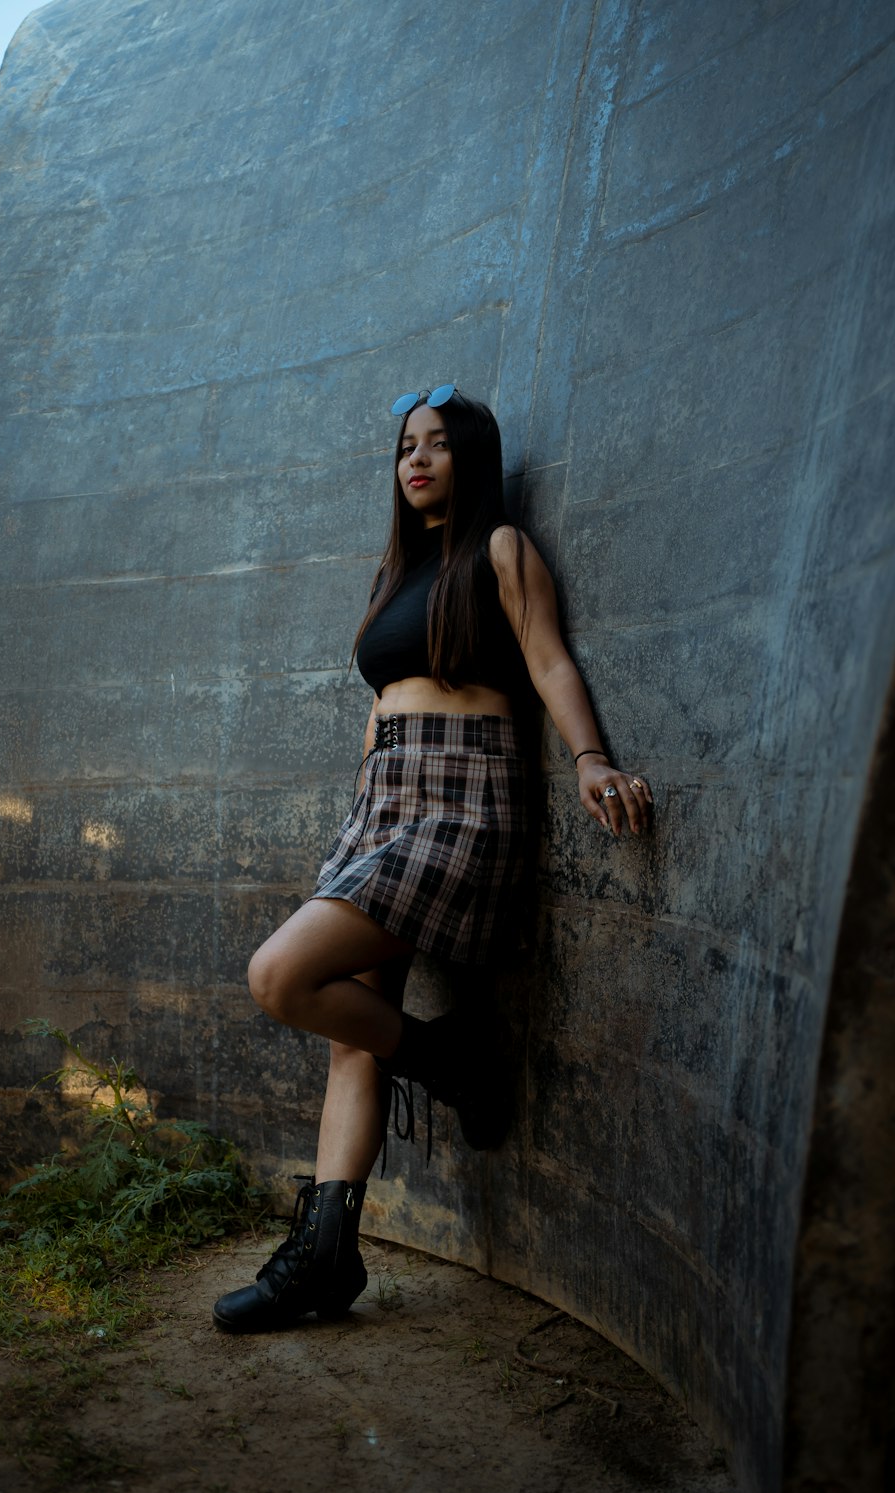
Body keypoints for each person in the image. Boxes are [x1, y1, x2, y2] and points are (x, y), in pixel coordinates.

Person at [212, 385, 652, 1334]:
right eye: (406, 447)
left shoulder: (500, 548)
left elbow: (547, 661)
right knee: (347, 1037)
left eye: (438, 445)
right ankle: (327, 1257)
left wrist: (590, 760)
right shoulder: (393, 573)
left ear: (472, 457)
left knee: (279, 975)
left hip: (463, 800)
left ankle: (445, 1055)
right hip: (383, 804)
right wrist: (361, 808)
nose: (416, 461)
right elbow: (379, 712)